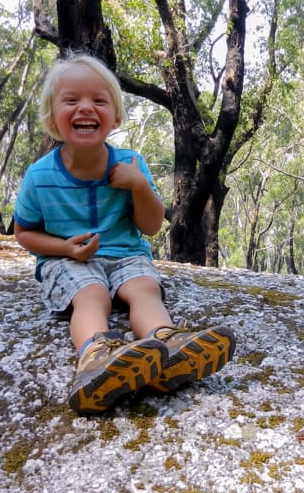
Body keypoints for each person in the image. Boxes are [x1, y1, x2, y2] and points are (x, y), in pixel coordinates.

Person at [13, 50, 235, 414]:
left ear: (115, 118)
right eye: (71, 100)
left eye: (99, 101)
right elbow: (24, 233)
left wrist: (139, 186)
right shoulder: (39, 176)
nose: (86, 107)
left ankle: (168, 348)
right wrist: (65, 249)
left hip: (127, 255)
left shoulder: (131, 164)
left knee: (145, 289)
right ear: (52, 118)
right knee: (92, 294)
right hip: (69, 260)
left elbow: (150, 226)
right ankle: (95, 357)